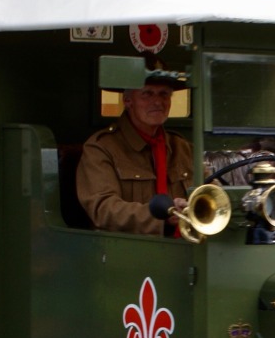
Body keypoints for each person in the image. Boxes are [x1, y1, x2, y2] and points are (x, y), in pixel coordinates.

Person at [77, 68, 193, 235]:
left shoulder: (182, 147)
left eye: (164, 94)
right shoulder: (101, 148)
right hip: (128, 251)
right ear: (128, 101)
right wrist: (164, 216)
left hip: (187, 249)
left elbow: (208, 192)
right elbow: (103, 209)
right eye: (147, 94)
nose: (158, 102)